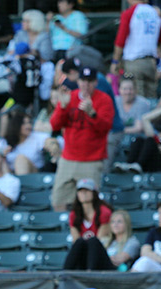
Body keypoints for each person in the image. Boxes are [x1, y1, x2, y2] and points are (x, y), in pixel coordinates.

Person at [49, 67, 114, 212]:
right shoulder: (69, 97)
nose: (86, 85)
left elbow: (105, 128)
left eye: (89, 81)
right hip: (68, 158)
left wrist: (92, 114)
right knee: (58, 201)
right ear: (78, 81)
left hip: (91, 160)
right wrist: (63, 107)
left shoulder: (104, 100)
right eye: (83, 81)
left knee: (90, 205)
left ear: (95, 82)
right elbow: (54, 125)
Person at [113, 0, 161, 100]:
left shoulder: (129, 13)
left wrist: (115, 60)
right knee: (151, 97)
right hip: (151, 62)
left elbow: (120, 40)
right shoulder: (155, 12)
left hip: (134, 62)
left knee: (137, 98)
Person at [62, 178, 114, 270]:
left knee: (93, 241)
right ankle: (63, 275)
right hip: (84, 255)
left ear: (94, 193)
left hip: (101, 255)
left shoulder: (104, 212)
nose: (84, 193)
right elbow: (76, 241)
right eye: (81, 191)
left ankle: (90, 273)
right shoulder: (74, 215)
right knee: (79, 242)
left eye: (87, 190)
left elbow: (100, 240)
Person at [0, 110, 51, 175]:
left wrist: (49, 145)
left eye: (29, 123)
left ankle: (21, 184)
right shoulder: (5, 141)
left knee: (20, 159)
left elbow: (51, 141)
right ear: (16, 125)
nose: (28, 126)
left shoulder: (37, 137)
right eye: (24, 123)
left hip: (34, 174)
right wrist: (2, 156)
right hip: (10, 175)